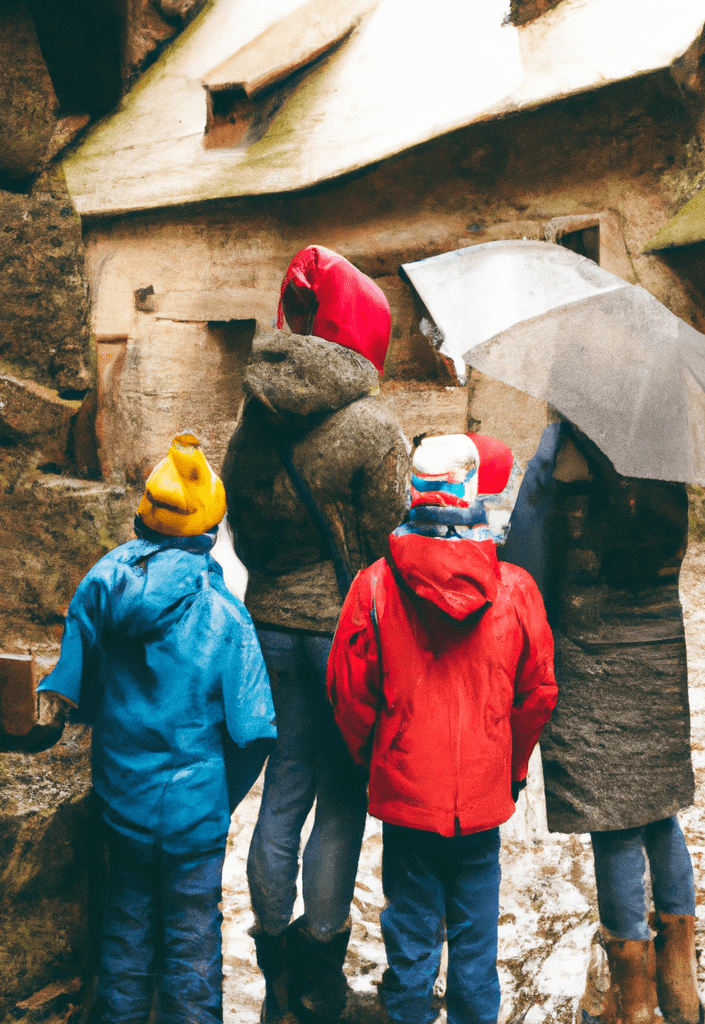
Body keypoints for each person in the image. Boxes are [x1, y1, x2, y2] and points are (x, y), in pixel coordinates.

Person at [221, 245, 410, 1023]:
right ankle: (321, 971)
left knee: (282, 792)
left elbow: (242, 521)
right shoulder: (374, 428)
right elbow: (391, 542)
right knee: (340, 799)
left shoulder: (254, 420)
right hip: (344, 639)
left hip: (267, 625)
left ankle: (271, 962)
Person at [35, 433, 276, 1024]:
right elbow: (255, 734)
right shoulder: (227, 617)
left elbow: (75, 691)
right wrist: (218, 797)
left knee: (126, 922)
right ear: (211, 531)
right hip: (195, 808)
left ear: (142, 516)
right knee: (193, 933)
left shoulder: (101, 583)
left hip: (122, 797)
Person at [327, 433, 557, 1024]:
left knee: (409, 934)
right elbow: (538, 694)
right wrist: (510, 768)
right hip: (482, 796)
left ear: (414, 491)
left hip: (407, 793)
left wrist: (372, 754)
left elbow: (349, 690)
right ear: (473, 492)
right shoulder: (515, 590)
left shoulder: (374, 584)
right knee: (477, 941)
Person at [501, 420, 704, 1024]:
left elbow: (527, 561)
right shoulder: (667, 447)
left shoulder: (561, 450)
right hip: (658, 648)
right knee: (659, 808)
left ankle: (636, 1000)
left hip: (589, 650)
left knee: (614, 823)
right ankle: (682, 988)